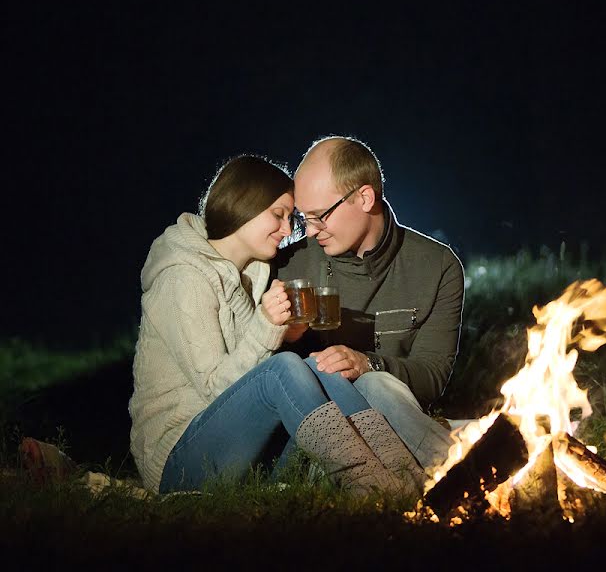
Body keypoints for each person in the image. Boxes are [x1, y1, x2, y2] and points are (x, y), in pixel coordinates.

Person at [128, 154, 424, 495]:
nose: (287, 231)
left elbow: (246, 380)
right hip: (179, 462)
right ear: (244, 206)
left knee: (320, 367)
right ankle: (370, 485)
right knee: (281, 368)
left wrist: (283, 334)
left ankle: (405, 476)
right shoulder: (183, 278)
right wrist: (266, 328)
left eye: (290, 219)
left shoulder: (249, 277)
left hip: (241, 451)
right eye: (278, 216)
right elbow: (215, 389)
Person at [274, 136, 464, 473]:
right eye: (305, 219)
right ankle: (458, 466)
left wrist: (369, 364)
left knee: (375, 382)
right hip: (318, 440)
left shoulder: (437, 267)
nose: (311, 231)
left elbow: (432, 377)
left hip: (396, 418)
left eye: (320, 217)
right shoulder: (290, 268)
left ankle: (455, 467)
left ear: (365, 197)